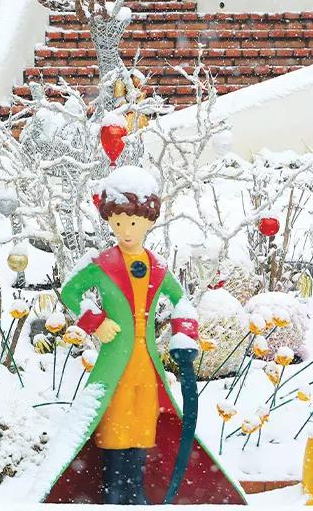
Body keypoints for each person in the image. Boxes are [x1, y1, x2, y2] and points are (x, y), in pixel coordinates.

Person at [40, 166, 245, 505]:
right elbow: (71, 291)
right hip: (115, 367)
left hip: (148, 369)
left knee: (141, 431)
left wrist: (184, 337)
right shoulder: (101, 263)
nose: (126, 231)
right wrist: (96, 320)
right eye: (118, 223)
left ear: (149, 223)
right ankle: (114, 493)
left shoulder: (158, 266)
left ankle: (135, 492)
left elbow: (182, 302)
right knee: (114, 429)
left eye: (134, 223)